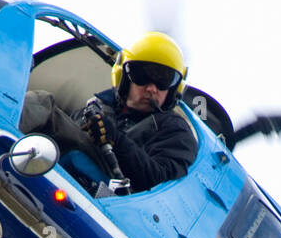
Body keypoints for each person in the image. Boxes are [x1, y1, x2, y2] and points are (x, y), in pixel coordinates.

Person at [19, 32, 197, 193]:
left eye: (163, 80)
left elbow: (158, 181)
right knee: (44, 108)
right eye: (141, 76)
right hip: (62, 161)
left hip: (122, 191)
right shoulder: (97, 107)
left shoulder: (175, 130)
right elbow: (68, 129)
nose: (151, 88)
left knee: (43, 104)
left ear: (174, 89)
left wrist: (117, 139)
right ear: (125, 78)